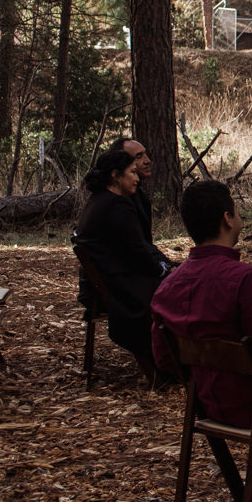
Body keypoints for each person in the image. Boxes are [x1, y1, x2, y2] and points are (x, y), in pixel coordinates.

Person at [150, 180, 252, 427]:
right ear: (227, 218)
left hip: (206, 405)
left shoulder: (168, 287)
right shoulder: (244, 281)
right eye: (236, 211)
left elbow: (164, 360)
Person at [73, 147, 174, 360]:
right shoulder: (117, 206)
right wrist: (163, 269)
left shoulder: (99, 200)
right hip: (122, 287)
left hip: (108, 281)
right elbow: (137, 252)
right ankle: (174, 356)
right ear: (115, 175)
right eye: (132, 172)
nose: (137, 178)